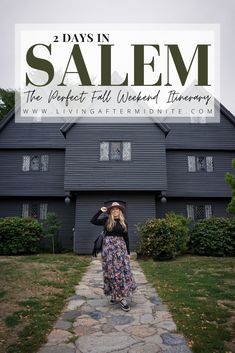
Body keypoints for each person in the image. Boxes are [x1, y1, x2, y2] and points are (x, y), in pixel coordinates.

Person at [90, 201, 137, 312]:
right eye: (113, 209)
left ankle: (118, 295)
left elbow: (126, 238)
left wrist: (128, 253)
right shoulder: (107, 221)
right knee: (111, 272)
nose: (116, 211)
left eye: (117, 209)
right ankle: (118, 297)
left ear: (120, 211)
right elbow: (93, 221)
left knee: (121, 272)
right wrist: (100, 211)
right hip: (109, 251)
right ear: (111, 211)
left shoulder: (123, 222)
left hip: (121, 250)